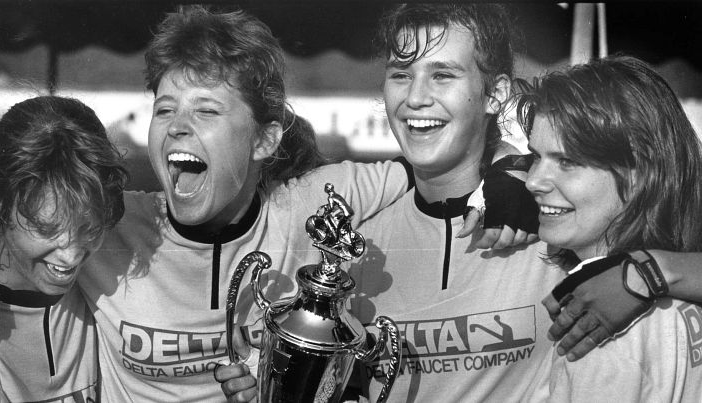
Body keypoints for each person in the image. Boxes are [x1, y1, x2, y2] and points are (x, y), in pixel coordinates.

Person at [75, 6, 529, 402]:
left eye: (207, 110)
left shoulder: (315, 206)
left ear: (266, 138)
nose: (177, 126)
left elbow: (434, 162)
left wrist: (510, 172)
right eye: (165, 108)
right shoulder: (109, 225)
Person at [214, 4, 554, 402]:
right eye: (400, 75)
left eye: (442, 75)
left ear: (494, 94)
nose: (415, 97)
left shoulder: (547, 221)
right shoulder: (356, 247)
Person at [520, 55, 702, 401]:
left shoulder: (599, 320)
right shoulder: (667, 294)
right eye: (536, 157)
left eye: (567, 162)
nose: (533, 181)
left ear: (637, 175)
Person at [0, 96, 128, 401]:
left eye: (89, 228)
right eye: (47, 228)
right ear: (3, 205)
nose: (71, 256)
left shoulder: (116, 256)